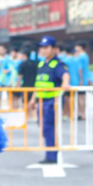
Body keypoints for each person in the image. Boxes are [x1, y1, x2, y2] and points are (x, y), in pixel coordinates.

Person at [31, 36, 66, 165]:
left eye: (46, 47)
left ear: (54, 48)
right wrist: (33, 99)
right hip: (41, 100)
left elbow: (65, 74)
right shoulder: (41, 63)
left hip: (52, 101)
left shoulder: (57, 63)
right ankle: (51, 153)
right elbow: (38, 83)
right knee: (44, 128)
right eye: (42, 47)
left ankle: (52, 155)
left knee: (48, 128)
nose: (44, 50)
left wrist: (66, 84)